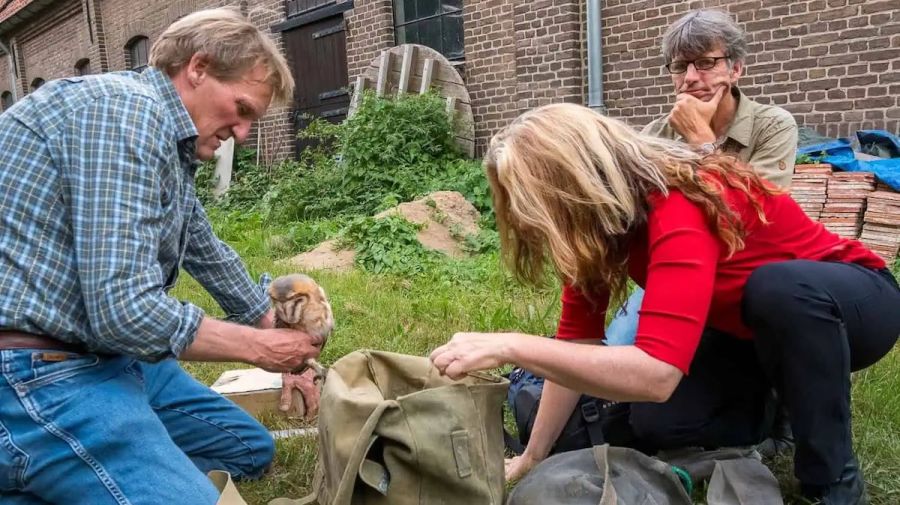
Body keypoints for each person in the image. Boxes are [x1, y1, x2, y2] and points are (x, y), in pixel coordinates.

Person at [430, 104, 899, 505]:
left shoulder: (677, 202)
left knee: (777, 289)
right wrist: (532, 457)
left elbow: (656, 374)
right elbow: (577, 342)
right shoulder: (596, 230)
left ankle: (831, 477)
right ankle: (775, 409)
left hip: (852, 307)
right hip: (744, 334)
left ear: (575, 185)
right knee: (658, 421)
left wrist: (512, 345)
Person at [0, 8, 319, 504]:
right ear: (198, 68)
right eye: (241, 108)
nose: (242, 133)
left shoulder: (166, 137)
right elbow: (124, 312)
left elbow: (205, 251)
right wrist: (259, 348)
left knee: (247, 450)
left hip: (104, 355)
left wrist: (272, 327)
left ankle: (84, 467)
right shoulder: (122, 114)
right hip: (33, 371)